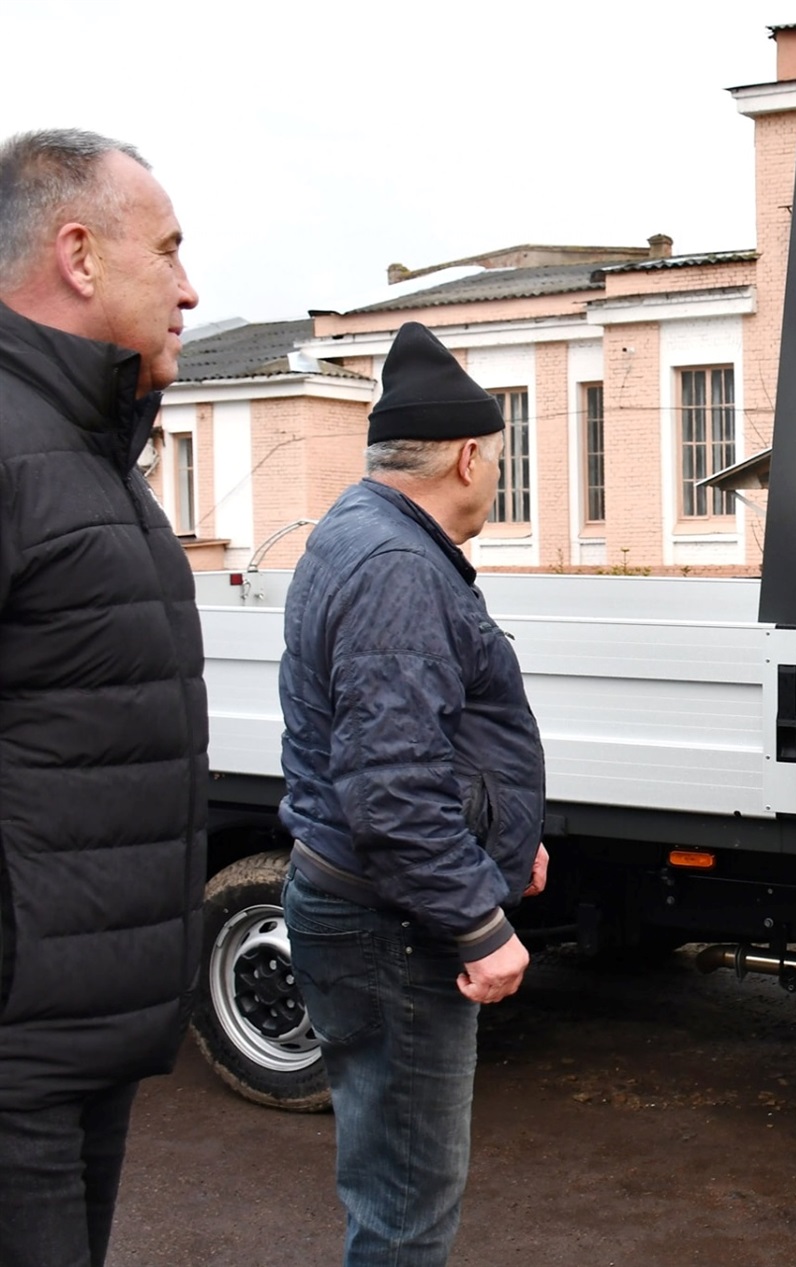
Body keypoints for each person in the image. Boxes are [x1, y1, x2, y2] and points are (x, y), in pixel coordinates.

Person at [279, 321, 549, 1266]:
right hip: (391, 928)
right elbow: (391, 786)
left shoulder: (361, 530)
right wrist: (479, 920)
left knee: (394, 1192)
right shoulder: (397, 565)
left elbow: (420, 740)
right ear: (469, 455)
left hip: (364, 909)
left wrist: (509, 838)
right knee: (405, 1211)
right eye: (498, 459)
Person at [0, 128, 206, 1267]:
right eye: (168, 251)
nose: (190, 287)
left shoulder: (91, 455)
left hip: (91, 1045)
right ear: (80, 256)